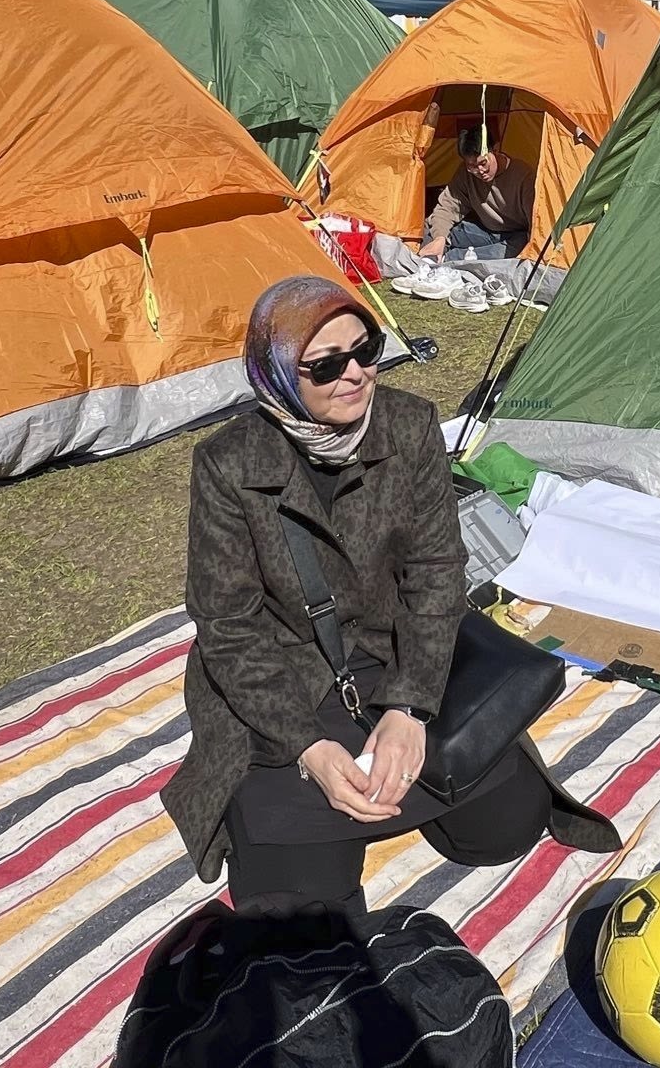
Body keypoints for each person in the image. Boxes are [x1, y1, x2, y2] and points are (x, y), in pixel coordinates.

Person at [162, 275, 617, 917]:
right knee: (299, 902)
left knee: (504, 828)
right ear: (278, 377)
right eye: (324, 365)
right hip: (287, 676)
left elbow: (437, 572)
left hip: (394, 654)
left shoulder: (409, 425)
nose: (354, 374)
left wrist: (411, 707)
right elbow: (227, 625)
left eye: (365, 349)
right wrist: (309, 749)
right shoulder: (228, 464)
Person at [419, 126, 534, 260]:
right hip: (484, 230)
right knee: (432, 228)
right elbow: (447, 208)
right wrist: (439, 239)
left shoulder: (524, 177)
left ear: (495, 150)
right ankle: (438, 253)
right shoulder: (465, 174)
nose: (479, 171)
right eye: (471, 166)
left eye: (483, 163)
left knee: (515, 249)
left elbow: (536, 222)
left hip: (516, 235)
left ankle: (450, 258)